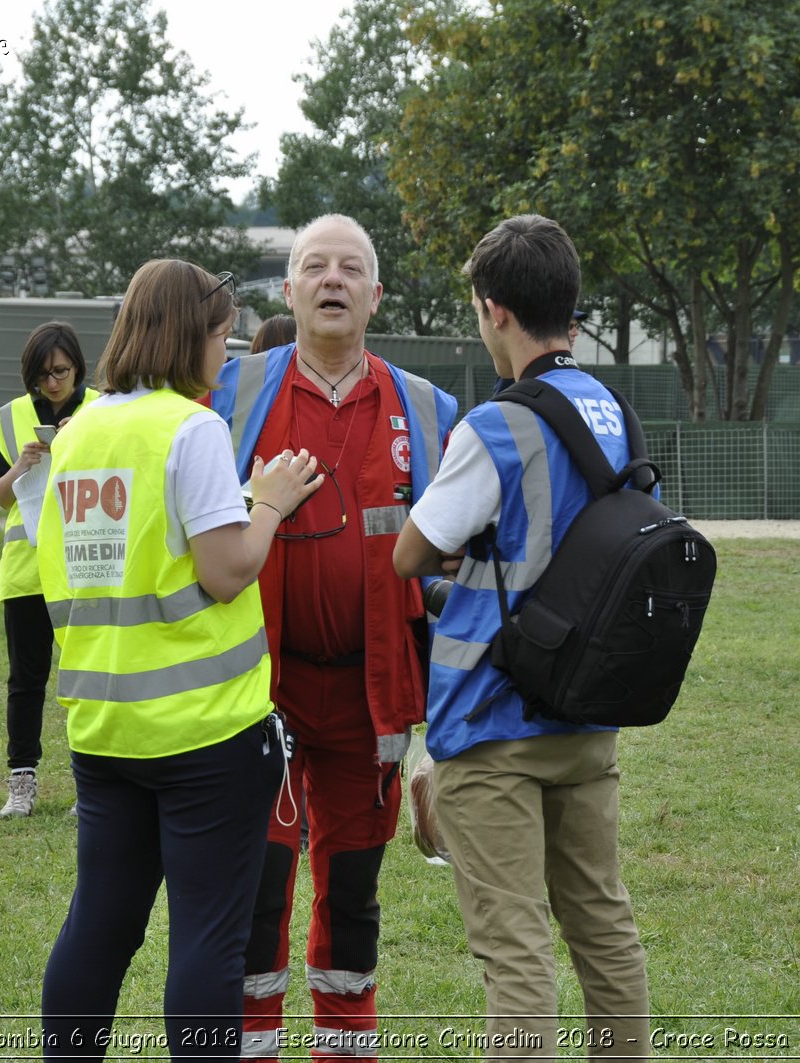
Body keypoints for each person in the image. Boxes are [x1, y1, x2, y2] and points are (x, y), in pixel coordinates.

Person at [35, 260, 320, 1061]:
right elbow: (226, 569)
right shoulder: (190, 428)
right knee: (208, 939)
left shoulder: (79, 430)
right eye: (219, 336)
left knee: (100, 922)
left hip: (104, 722)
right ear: (183, 334)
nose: (224, 354)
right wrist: (268, 502)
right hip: (205, 732)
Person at [393, 214, 650, 1058]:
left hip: (491, 722)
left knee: (515, 948)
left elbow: (410, 550)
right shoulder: (613, 411)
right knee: (604, 929)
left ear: (492, 310)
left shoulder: (495, 425)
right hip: (585, 709)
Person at [207, 214, 458, 1061]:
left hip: (370, 697)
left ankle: (345, 1051)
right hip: (259, 696)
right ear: (288, 292)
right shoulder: (232, 397)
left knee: (352, 891)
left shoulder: (427, 409)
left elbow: (450, 573)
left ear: (376, 295)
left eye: (351, 268)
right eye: (314, 266)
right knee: (259, 890)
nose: (332, 279)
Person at [0, 322, 100, 818]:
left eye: (61, 372)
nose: (53, 384)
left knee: (88, 676)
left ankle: (90, 784)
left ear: (78, 368)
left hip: (86, 566)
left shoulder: (101, 409)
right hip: (27, 571)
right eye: (43, 375)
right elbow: (0, 495)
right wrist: (21, 465)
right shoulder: (10, 420)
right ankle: (21, 783)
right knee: (26, 681)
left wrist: (82, 443)